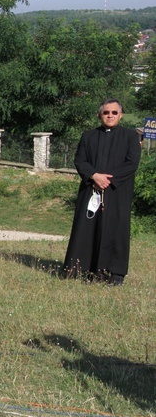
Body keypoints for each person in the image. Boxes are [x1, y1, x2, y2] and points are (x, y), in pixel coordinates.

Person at [63, 99, 141, 285]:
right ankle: (80, 270)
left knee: (115, 230)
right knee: (86, 228)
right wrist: (94, 176)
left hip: (117, 191)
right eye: (106, 112)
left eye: (114, 112)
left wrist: (107, 180)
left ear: (120, 115)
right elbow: (80, 160)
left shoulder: (130, 137)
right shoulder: (89, 136)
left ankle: (114, 273)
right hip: (91, 188)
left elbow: (132, 163)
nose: (110, 116)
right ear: (99, 115)